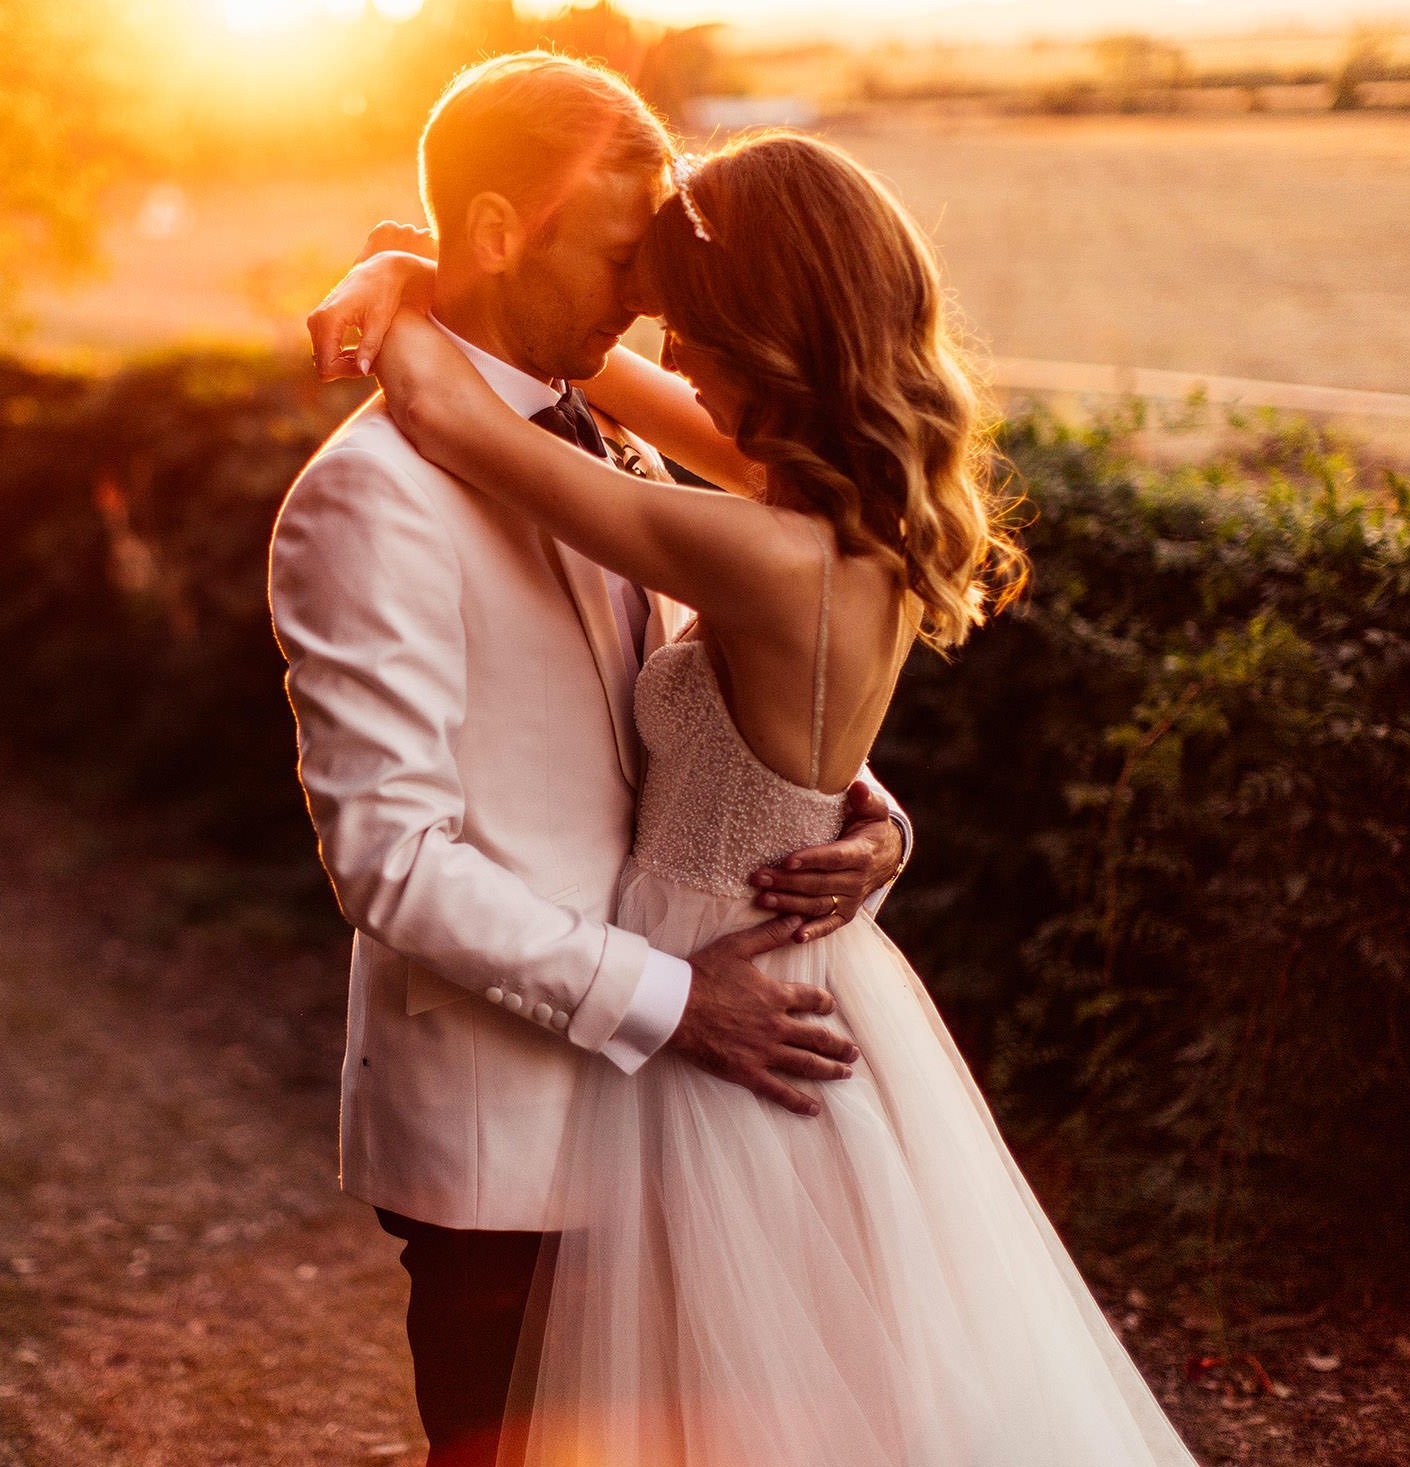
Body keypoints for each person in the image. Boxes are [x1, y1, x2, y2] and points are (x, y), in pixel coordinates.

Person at [308, 114, 1204, 1465]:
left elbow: (451, 406)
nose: (652, 340)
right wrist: (859, 811)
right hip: (717, 1008)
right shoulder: (831, 509)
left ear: (772, 336)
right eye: (634, 277)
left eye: (684, 314)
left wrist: (390, 277)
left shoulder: (745, 533)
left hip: (719, 1036)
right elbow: (749, 711)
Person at [267, 54, 915, 1467]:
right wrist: (677, 1003)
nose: (654, 303)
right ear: (500, 231)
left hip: (689, 1128)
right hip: (521, 1146)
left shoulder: (614, 440)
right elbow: (394, 862)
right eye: (627, 252)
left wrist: (856, 810)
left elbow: (717, 709)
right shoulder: (370, 504)